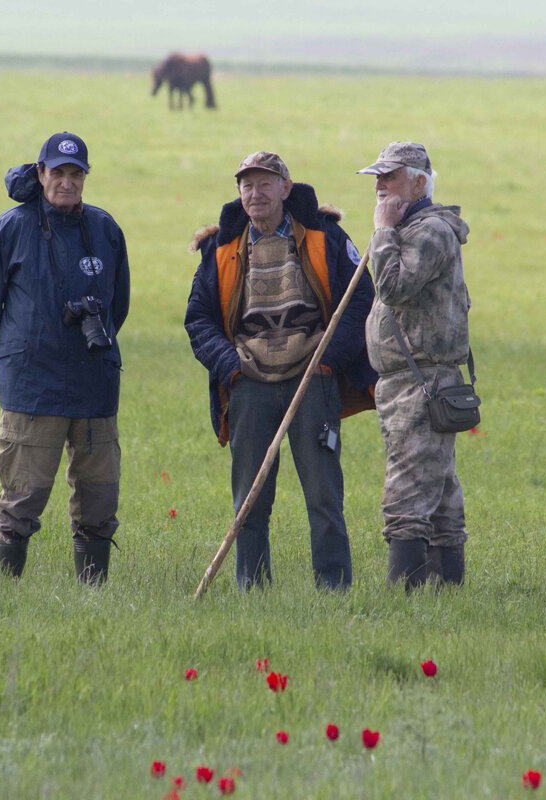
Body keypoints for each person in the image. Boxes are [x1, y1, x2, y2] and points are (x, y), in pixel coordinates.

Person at [186, 151, 377, 591]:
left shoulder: (324, 236)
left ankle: (334, 591)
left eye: (265, 183)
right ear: (239, 192)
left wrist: (327, 361)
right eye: (247, 185)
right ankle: (252, 592)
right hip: (249, 383)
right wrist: (230, 367)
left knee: (324, 497)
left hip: (312, 380)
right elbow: (198, 319)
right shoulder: (221, 248)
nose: (256, 193)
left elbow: (359, 301)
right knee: (249, 503)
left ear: (285, 189)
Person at [0, 132, 129, 584]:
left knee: (99, 499)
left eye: (76, 174)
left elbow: (119, 306)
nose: (66, 182)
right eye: (57, 172)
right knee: (22, 496)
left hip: (94, 386)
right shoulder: (12, 228)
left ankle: (93, 595)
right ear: (40, 174)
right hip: (31, 389)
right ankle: (6, 595)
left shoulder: (105, 229)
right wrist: (11, 365)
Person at [357, 141, 471, 590]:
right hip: (410, 382)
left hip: (421, 383)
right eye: (377, 178)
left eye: (390, 177)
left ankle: (402, 597)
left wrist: (382, 231)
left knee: (406, 491)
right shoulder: (413, 229)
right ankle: (446, 592)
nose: (380, 186)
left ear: (419, 182)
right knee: (439, 492)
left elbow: (392, 286)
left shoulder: (429, 232)